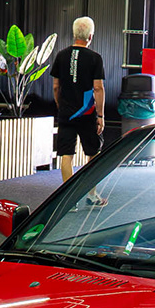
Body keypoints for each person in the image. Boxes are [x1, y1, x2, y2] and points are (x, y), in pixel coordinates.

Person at [49, 15, 107, 192]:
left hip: (66, 113)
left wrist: (60, 105)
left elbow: (56, 86)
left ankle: (68, 198)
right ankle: (91, 193)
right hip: (87, 113)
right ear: (90, 36)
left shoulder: (61, 56)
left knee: (66, 154)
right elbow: (98, 88)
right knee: (93, 153)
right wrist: (100, 115)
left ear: (74, 34)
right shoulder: (95, 58)